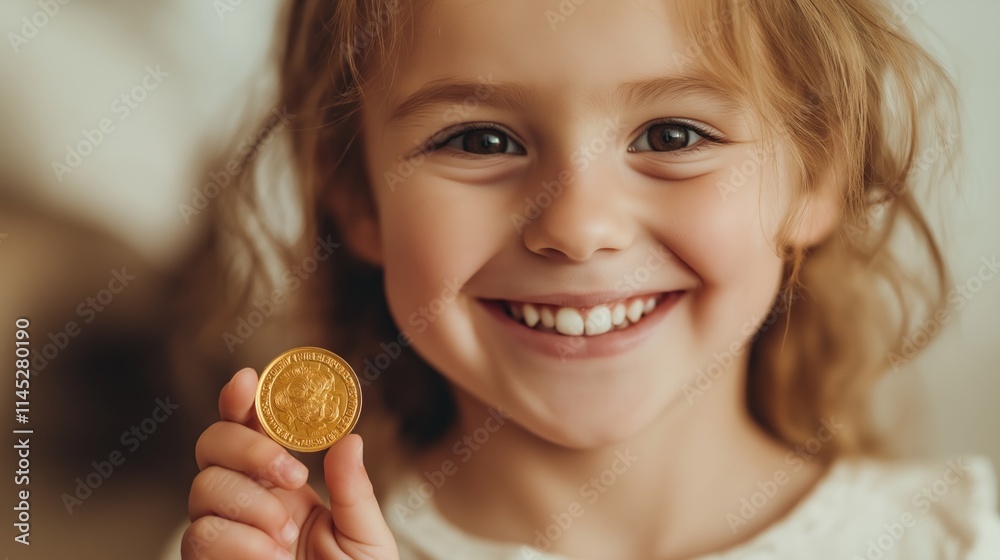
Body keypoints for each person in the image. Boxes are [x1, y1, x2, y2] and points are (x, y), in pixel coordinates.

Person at [175, 0, 1000, 558]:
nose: (578, 227)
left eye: (674, 134)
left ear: (818, 176)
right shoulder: (264, 549)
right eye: (479, 141)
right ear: (354, 196)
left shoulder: (960, 538)